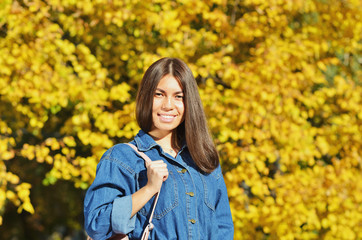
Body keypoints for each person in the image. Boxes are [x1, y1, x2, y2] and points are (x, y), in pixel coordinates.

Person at [84, 57, 234, 239]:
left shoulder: (205, 160)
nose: (168, 105)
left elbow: (224, 230)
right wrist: (148, 189)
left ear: (189, 103)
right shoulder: (121, 158)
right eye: (159, 94)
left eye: (178, 96)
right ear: (146, 98)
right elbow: (97, 225)